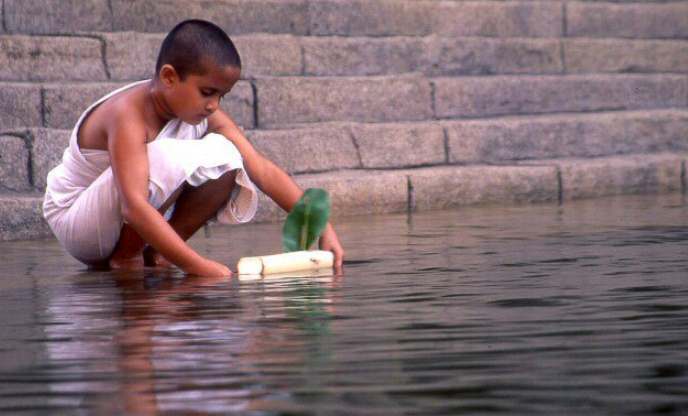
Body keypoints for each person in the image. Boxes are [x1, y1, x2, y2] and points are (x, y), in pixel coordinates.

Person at [42, 19, 344, 277]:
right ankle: (127, 258)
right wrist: (201, 268)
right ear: (169, 77)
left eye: (221, 96)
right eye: (207, 93)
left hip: (121, 217)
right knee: (164, 157)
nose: (213, 105)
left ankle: (161, 254)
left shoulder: (201, 113)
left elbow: (260, 169)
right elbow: (133, 206)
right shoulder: (128, 114)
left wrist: (323, 227)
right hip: (78, 223)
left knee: (228, 157)